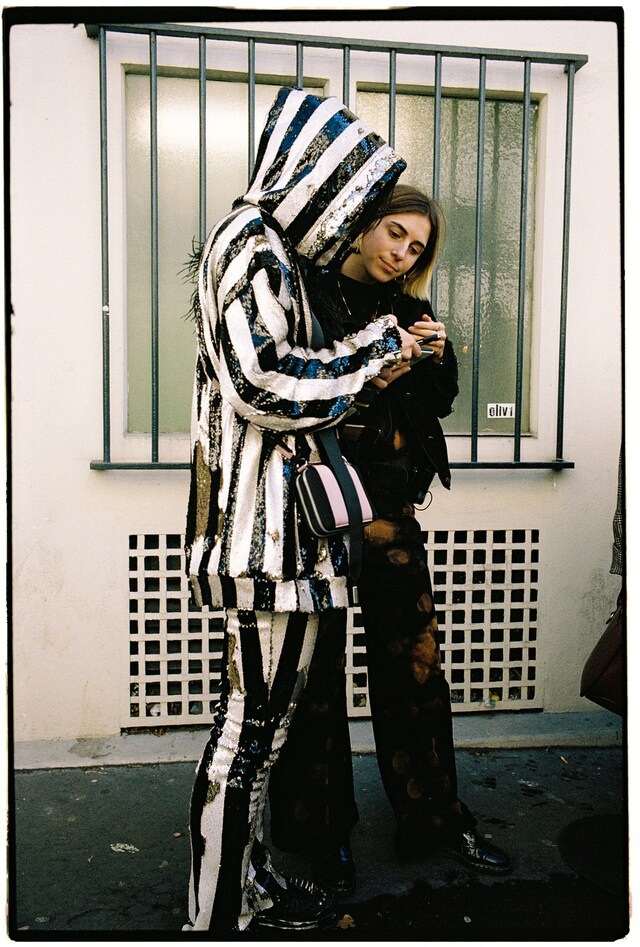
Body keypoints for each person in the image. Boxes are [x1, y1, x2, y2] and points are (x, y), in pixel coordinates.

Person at [182, 87, 422, 933]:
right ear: (315, 176)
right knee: (249, 735)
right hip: (263, 542)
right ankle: (217, 910)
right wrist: (378, 351)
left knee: (261, 733)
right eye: (354, 195)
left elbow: (285, 372)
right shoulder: (251, 247)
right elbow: (265, 384)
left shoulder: (258, 247)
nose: (354, 214)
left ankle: (244, 887)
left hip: (277, 539)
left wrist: (369, 355)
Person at [268, 183, 512, 896]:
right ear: (365, 224)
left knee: (415, 668)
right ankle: (324, 837)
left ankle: (436, 815)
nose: (401, 253)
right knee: (317, 680)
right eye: (395, 233)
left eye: (415, 247)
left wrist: (433, 356)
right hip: (321, 510)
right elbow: (296, 391)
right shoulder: (308, 296)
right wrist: (375, 368)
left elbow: (438, 402)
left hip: (392, 511)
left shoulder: (412, 308)